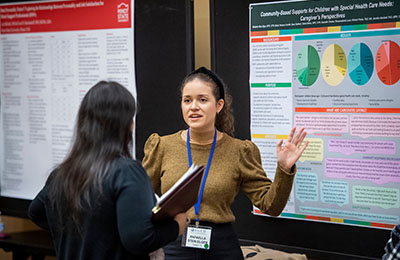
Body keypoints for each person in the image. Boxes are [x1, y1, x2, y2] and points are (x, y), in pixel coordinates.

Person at [142, 67, 309, 260]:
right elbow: (143, 201)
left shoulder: (239, 151)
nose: (193, 106)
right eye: (187, 100)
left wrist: (284, 169)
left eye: (202, 100)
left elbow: (270, 206)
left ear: (219, 105)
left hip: (221, 247)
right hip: (174, 242)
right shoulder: (162, 146)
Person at [28, 81, 188, 260]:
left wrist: (85, 235)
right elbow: (140, 240)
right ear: (125, 124)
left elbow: (35, 212)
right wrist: (176, 227)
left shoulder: (62, 173)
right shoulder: (127, 172)